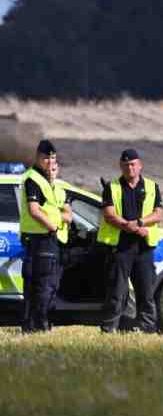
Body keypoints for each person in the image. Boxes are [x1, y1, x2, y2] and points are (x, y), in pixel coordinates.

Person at [98, 149, 163, 333]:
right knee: (116, 291)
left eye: (133, 164)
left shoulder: (152, 186)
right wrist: (132, 227)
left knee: (146, 291)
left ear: (140, 164)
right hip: (120, 247)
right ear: (121, 166)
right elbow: (109, 215)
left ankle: (147, 327)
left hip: (144, 248)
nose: (130, 168)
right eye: (126, 165)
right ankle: (109, 327)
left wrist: (141, 222)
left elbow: (159, 214)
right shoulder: (111, 187)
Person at [19, 140, 65, 333]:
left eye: (53, 158)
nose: (49, 161)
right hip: (41, 239)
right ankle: (38, 326)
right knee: (43, 286)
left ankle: (32, 326)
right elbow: (34, 210)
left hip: (43, 239)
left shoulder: (46, 181)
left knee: (38, 285)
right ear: (38, 157)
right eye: (46, 157)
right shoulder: (33, 179)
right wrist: (53, 226)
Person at [48, 160, 72, 319]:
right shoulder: (36, 187)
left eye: (54, 169)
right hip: (43, 242)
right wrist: (59, 216)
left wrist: (51, 215)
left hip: (59, 243)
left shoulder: (62, 190)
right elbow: (35, 213)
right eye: (48, 169)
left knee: (53, 285)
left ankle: (47, 319)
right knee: (44, 286)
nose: (51, 172)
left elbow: (69, 217)